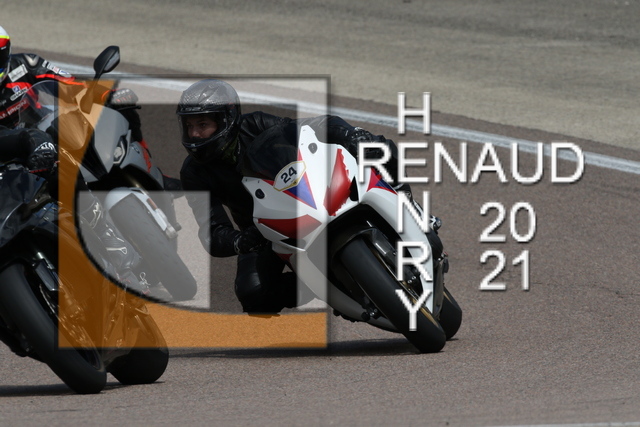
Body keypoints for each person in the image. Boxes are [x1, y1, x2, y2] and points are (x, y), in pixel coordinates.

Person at [177, 79, 434, 315]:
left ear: (226, 120)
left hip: (309, 193)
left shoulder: (255, 124)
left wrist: (348, 133)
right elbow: (211, 231)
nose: (195, 134)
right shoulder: (193, 173)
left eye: (203, 125)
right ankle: (330, 287)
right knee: (254, 294)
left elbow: (311, 127)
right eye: (189, 126)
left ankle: (409, 208)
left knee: (377, 147)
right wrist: (239, 241)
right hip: (264, 231)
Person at [0, 124, 145, 292]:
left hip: (22, 206)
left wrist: (39, 145)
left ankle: (105, 235)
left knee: (57, 158)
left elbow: (22, 137)